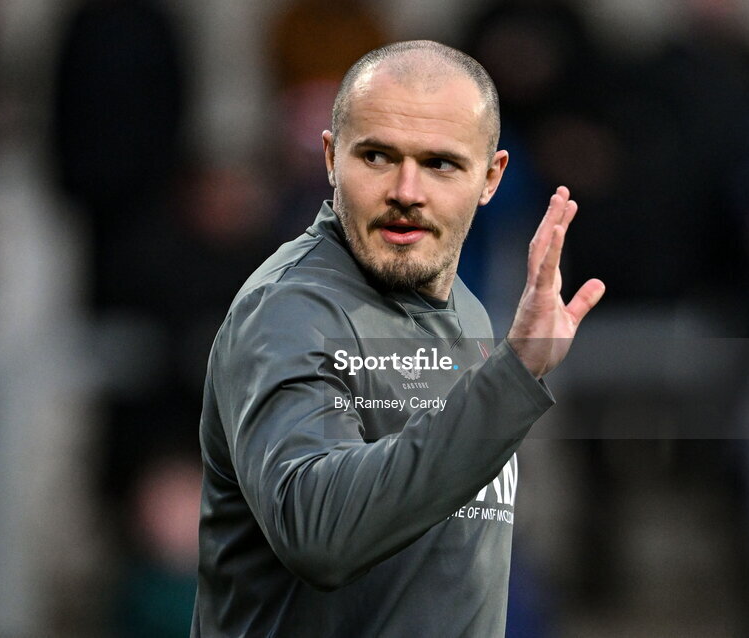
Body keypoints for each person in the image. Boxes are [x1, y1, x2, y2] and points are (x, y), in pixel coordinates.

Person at [191, 40, 605, 637]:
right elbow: (319, 532)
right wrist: (511, 377)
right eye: (378, 156)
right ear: (331, 159)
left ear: (491, 177)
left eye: (441, 164)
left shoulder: (469, 314)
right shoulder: (289, 311)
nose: (407, 191)